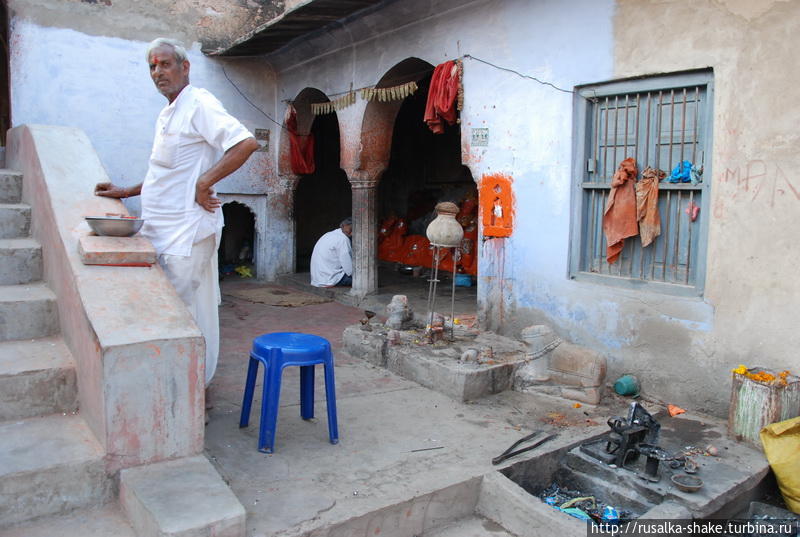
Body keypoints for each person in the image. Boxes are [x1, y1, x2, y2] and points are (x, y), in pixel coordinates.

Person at [94, 38, 259, 389]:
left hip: (186, 230)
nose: (158, 72)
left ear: (185, 67)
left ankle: (187, 394)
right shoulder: (169, 111)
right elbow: (164, 172)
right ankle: (183, 386)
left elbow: (245, 143)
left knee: (181, 316)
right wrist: (126, 191)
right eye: (152, 66)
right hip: (161, 229)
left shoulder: (198, 102)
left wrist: (204, 183)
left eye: (165, 64)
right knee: (179, 312)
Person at [310, 218, 353, 287]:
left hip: (317, 279)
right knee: (364, 279)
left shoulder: (329, 234)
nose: (352, 233)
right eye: (351, 230)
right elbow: (349, 270)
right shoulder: (343, 239)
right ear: (343, 226)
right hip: (330, 279)